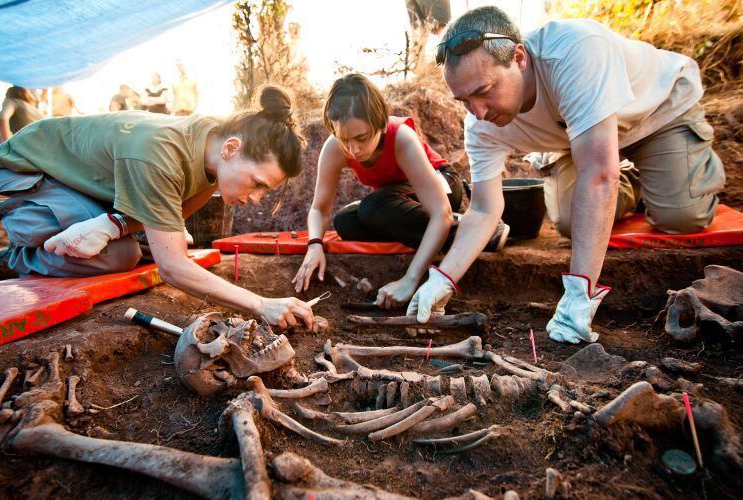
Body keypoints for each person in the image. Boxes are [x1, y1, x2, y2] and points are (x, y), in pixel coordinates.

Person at [410, 6, 725, 344]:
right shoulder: (480, 124)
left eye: (485, 91)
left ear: (519, 58)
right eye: (464, 100)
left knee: (681, 215)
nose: (478, 111)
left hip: (656, 115)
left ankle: (684, 167)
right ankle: (629, 178)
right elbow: (485, 209)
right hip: (581, 140)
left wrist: (580, 294)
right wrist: (442, 279)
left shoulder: (574, 51)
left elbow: (598, 177)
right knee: (572, 223)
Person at [0, 85, 315, 330]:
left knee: (138, 245)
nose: (256, 197)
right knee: (120, 256)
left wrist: (111, 225)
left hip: (91, 184)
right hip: (31, 167)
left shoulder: (213, 153)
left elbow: (166, 219)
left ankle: (77, 228)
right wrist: (261, 304)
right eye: (257, 183)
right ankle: (21, 256)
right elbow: (173, 267)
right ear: (231, 148)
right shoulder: (160, 153)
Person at [293, 73, 508, 309]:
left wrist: (410, 279)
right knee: (345, 221)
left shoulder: (401, 138)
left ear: (381, 124)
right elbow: (319, 209)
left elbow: (440, 212)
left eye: (361, 138)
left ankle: (479, 229)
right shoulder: (335, 148)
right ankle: (444, 232)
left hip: (441, 185)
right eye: (344, 139)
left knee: (373, 208)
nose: (353, 149)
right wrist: (314, 245)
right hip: (396, 198)